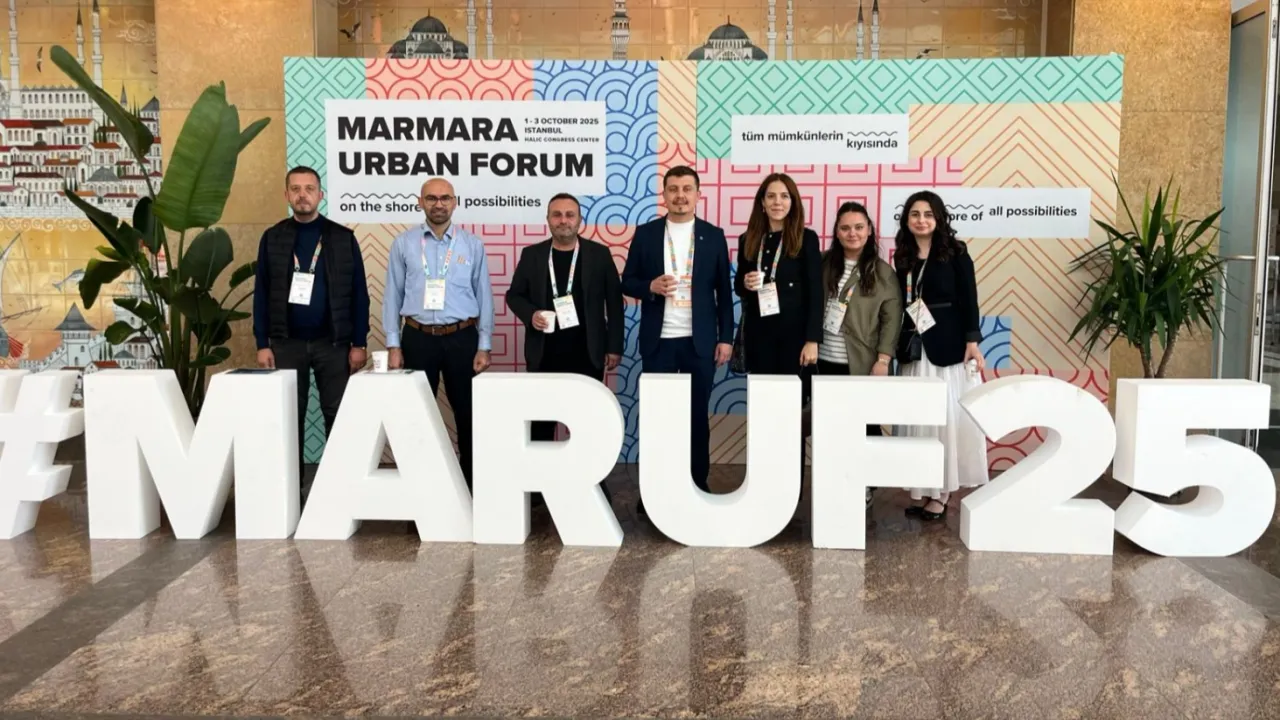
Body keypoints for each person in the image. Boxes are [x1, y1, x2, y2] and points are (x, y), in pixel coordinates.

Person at [253, 165, 369, 502]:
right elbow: (262, 293)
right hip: (286, 344)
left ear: (321, 195)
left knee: (338, 415)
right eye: (296, 189)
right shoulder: (273, 238)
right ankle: (292, 492)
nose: (302, 195)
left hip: (334, 345)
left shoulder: (342, 238)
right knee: (290, 417)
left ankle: (340, 491)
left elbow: (359, 294)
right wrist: (262, 343)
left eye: (309, 189)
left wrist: (358, 342)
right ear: (286, 195)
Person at [622, 165, 734, 502]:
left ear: (698, 194)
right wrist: (650, 286)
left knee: (697, 416)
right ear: (665, 194)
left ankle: (698, 483)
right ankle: (655, 491)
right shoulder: (646, 234)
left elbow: (723, 293)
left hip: (700, 343)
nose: (680, 196)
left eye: (687, 189)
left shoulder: (714, 235)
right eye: (673, 189)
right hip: (659, 343)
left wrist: (725, 338)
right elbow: (627, 282)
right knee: (659, 418)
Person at [505, 193, 624, 503]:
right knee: (542, 422)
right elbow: (514, 295)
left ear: (579, 220)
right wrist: (531, 314)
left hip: (588, 353)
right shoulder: (532, 255)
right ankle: (538, 487)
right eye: (557, 215)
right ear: (548, 220)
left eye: (570, 215)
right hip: (545, 352)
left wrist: (614, 346)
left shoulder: (599, 254)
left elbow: (614, 302)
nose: (563, 221)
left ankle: (592, 482)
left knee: (587, 422)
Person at [383, 177, 495, 490]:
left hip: (462, 338)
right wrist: (393, 344)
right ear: (421, 202)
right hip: (417, 338)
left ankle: (471, 486)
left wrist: (484, 345)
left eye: (445, 198)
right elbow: (392, 294)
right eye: (431, 198)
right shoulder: (404, 243)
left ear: (454, 202)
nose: (438, 204)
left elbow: (484, 296)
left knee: (468, 414)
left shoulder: (472, 245)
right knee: (416, 416)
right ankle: (420, 487)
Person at [893, 190, 988, 521]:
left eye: (928, 214)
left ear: (938, 218)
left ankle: (943, 493)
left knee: (944, 420)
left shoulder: (956, 251)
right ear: (907, 219)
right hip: (914, 347)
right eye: (915, 214)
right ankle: (925, 488)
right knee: (919, 421)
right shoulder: (902, 256)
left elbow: (970, 298)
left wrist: (972, 340)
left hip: (947, 347)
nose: (921, 220)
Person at [815, 201, 902, 507]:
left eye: (858, 227)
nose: (852, 233)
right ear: (837, 232)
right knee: (830, 426)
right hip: (824, 362)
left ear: (869, 231)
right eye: (845, 228)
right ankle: (835, 482)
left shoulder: (883, 272)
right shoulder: (822, 263)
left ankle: (865, 485)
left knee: (864, 426)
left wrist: (883, 359)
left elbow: (892, 319)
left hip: (862, 364)